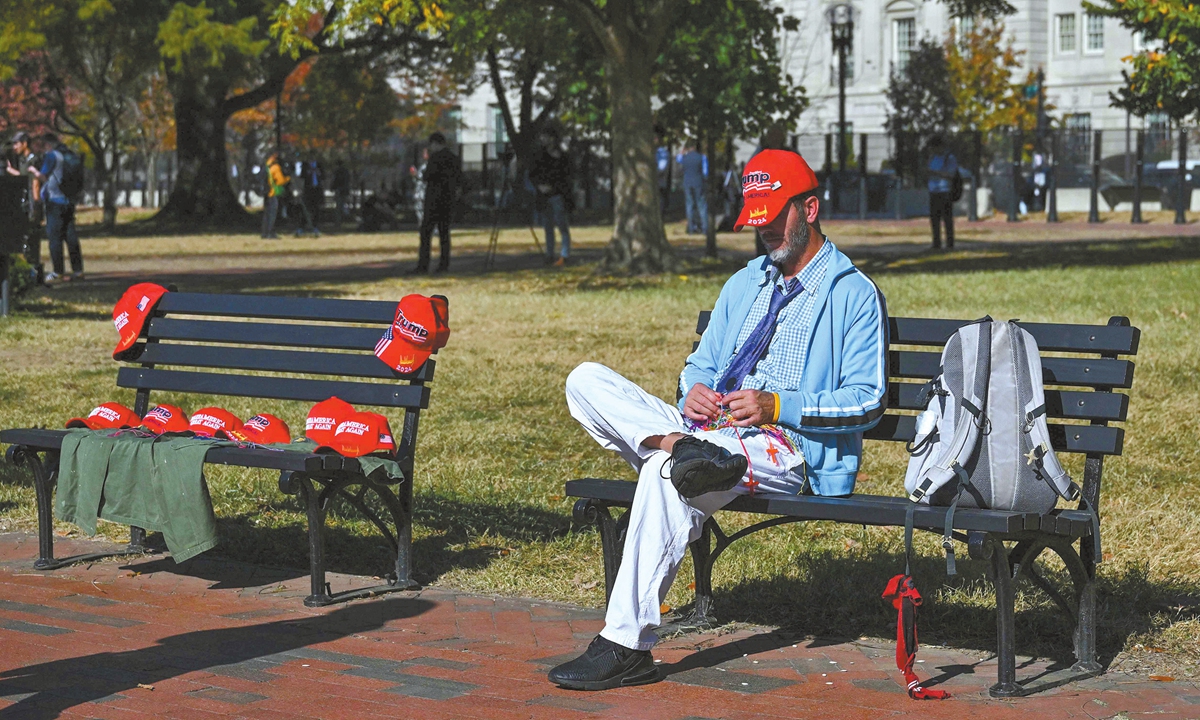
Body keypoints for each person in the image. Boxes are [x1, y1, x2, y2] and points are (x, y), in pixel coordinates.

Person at [548, 149, 888, 691]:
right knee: (584, 379)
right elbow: (697, 367)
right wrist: (693, 393)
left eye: (776, 218)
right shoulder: (744, 284)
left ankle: (625, 645)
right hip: (709, 433)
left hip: (785, 447)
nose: (765, 232)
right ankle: (683, 445)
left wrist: (777, 405)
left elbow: (869, 400)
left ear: (811, 208)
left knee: (665, 474)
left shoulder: (852, 294)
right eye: (757, 221)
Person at [27, 133, 82, 283]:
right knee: (71, 236)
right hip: (69, 200)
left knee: (54, 237)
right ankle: (78, 270)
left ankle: (58, 271)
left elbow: (44, 176)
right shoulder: (69, 154)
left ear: (48, 144)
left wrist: (33, 171)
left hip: (54, 200)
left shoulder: (52, 156)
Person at [413, 132, 461, 274]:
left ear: (434, 143)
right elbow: (459, 178)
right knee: (444, 233)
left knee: (426, 233)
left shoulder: (434, 158)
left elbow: (427, 176)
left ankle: (423, 265)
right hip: (447, 200)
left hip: (433, 200)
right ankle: (443, 264)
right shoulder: (453, 158)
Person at [530, 127, 573, 266]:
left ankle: (564, 255)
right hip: (544, 196)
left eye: (546, 136)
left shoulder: (562, 156)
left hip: (557, 195)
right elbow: (533, 174)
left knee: (562, 225)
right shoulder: (539, 156)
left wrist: (555, 187)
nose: (544, 139)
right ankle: (550, 254)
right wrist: (539, 186)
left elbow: (566, 177)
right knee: (548, 226)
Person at [7, 131, 43, 282]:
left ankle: (35, 273)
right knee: (26, 238)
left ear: (24, 143)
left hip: (32, 204)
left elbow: (34, 183)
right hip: (25, 202)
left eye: (16, 143)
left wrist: (35, 206)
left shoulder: (33, 160)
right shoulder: (22, 159)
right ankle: (31, 271)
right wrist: (10, 170)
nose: (14, 146)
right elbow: (24, 178)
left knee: (32, 238)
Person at [927, 135, 958, 249]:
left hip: (945, 191)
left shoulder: (949, 158)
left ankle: (950, 243)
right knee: (934, 218)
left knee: (947, 218)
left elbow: (951, 175)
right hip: (933, 191)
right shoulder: (932, 158)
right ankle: (936, 242)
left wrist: (936, 173)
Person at [678, 141, 708, 234]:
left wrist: (681, 152)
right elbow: (705, 172)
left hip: (687, 182)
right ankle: (705, 228)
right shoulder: (702, 157)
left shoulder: (684, 158)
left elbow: (678, 160)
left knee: (689, 205)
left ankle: (691, 229)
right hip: (698, 182)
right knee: (701, 205)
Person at [262, 153, 289, 239]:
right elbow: (280, 181)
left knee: (266, 214)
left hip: (265, 192)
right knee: (273, 214)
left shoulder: (265, 166)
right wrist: (288, 178)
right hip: (273, 192)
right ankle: (271, 233)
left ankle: (265, 233)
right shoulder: (275, 167)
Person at [331, 160, 351, 228]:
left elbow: (335, 181)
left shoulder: (337, 172)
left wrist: (333, 188)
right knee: (343, 206)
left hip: (339, 191)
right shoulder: (346, 171)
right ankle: (343, 220)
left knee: (338, 207)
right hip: (345, 191)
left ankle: (338, 222)